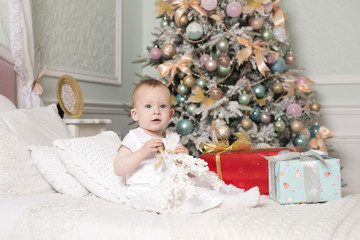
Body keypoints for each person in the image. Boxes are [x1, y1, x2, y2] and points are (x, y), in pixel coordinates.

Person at [114, 79, 259, 214]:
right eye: (148, 106)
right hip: (147, 189)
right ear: (135, 114)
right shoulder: (134, 137)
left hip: (175, 182)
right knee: (186, 197)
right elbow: (119, 168)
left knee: (204, 180)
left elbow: (186, 171)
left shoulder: (172, 138)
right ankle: (227, 203)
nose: (156, 111)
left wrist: (184, 159)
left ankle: (234, 193)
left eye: (162, 106)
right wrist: (142, 152)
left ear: (170, 115)